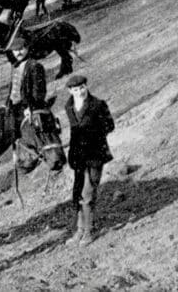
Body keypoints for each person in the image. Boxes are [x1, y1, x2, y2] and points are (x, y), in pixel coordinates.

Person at [64, 75, 115, 247]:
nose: (80, 92)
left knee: (88, 194)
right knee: (78, 193)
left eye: (82, 88)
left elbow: (110, 125)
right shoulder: (69, 106)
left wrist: (93, 135)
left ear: (86, 87)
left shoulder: (98, 105)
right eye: (76, 89)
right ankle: (79, 230)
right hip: (78, 156)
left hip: (94, 155)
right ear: (71, 91)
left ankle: (88, 231)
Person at [4, 37, 47, 136]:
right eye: (15, 50)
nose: (18, 52)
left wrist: (30, 108)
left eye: (21, 49)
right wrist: (7, 103)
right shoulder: (15, 66)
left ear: (27, 48)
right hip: (14, 107)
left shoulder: (34, 66)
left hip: (28, 107)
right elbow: (13, 88)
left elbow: (38, 92)